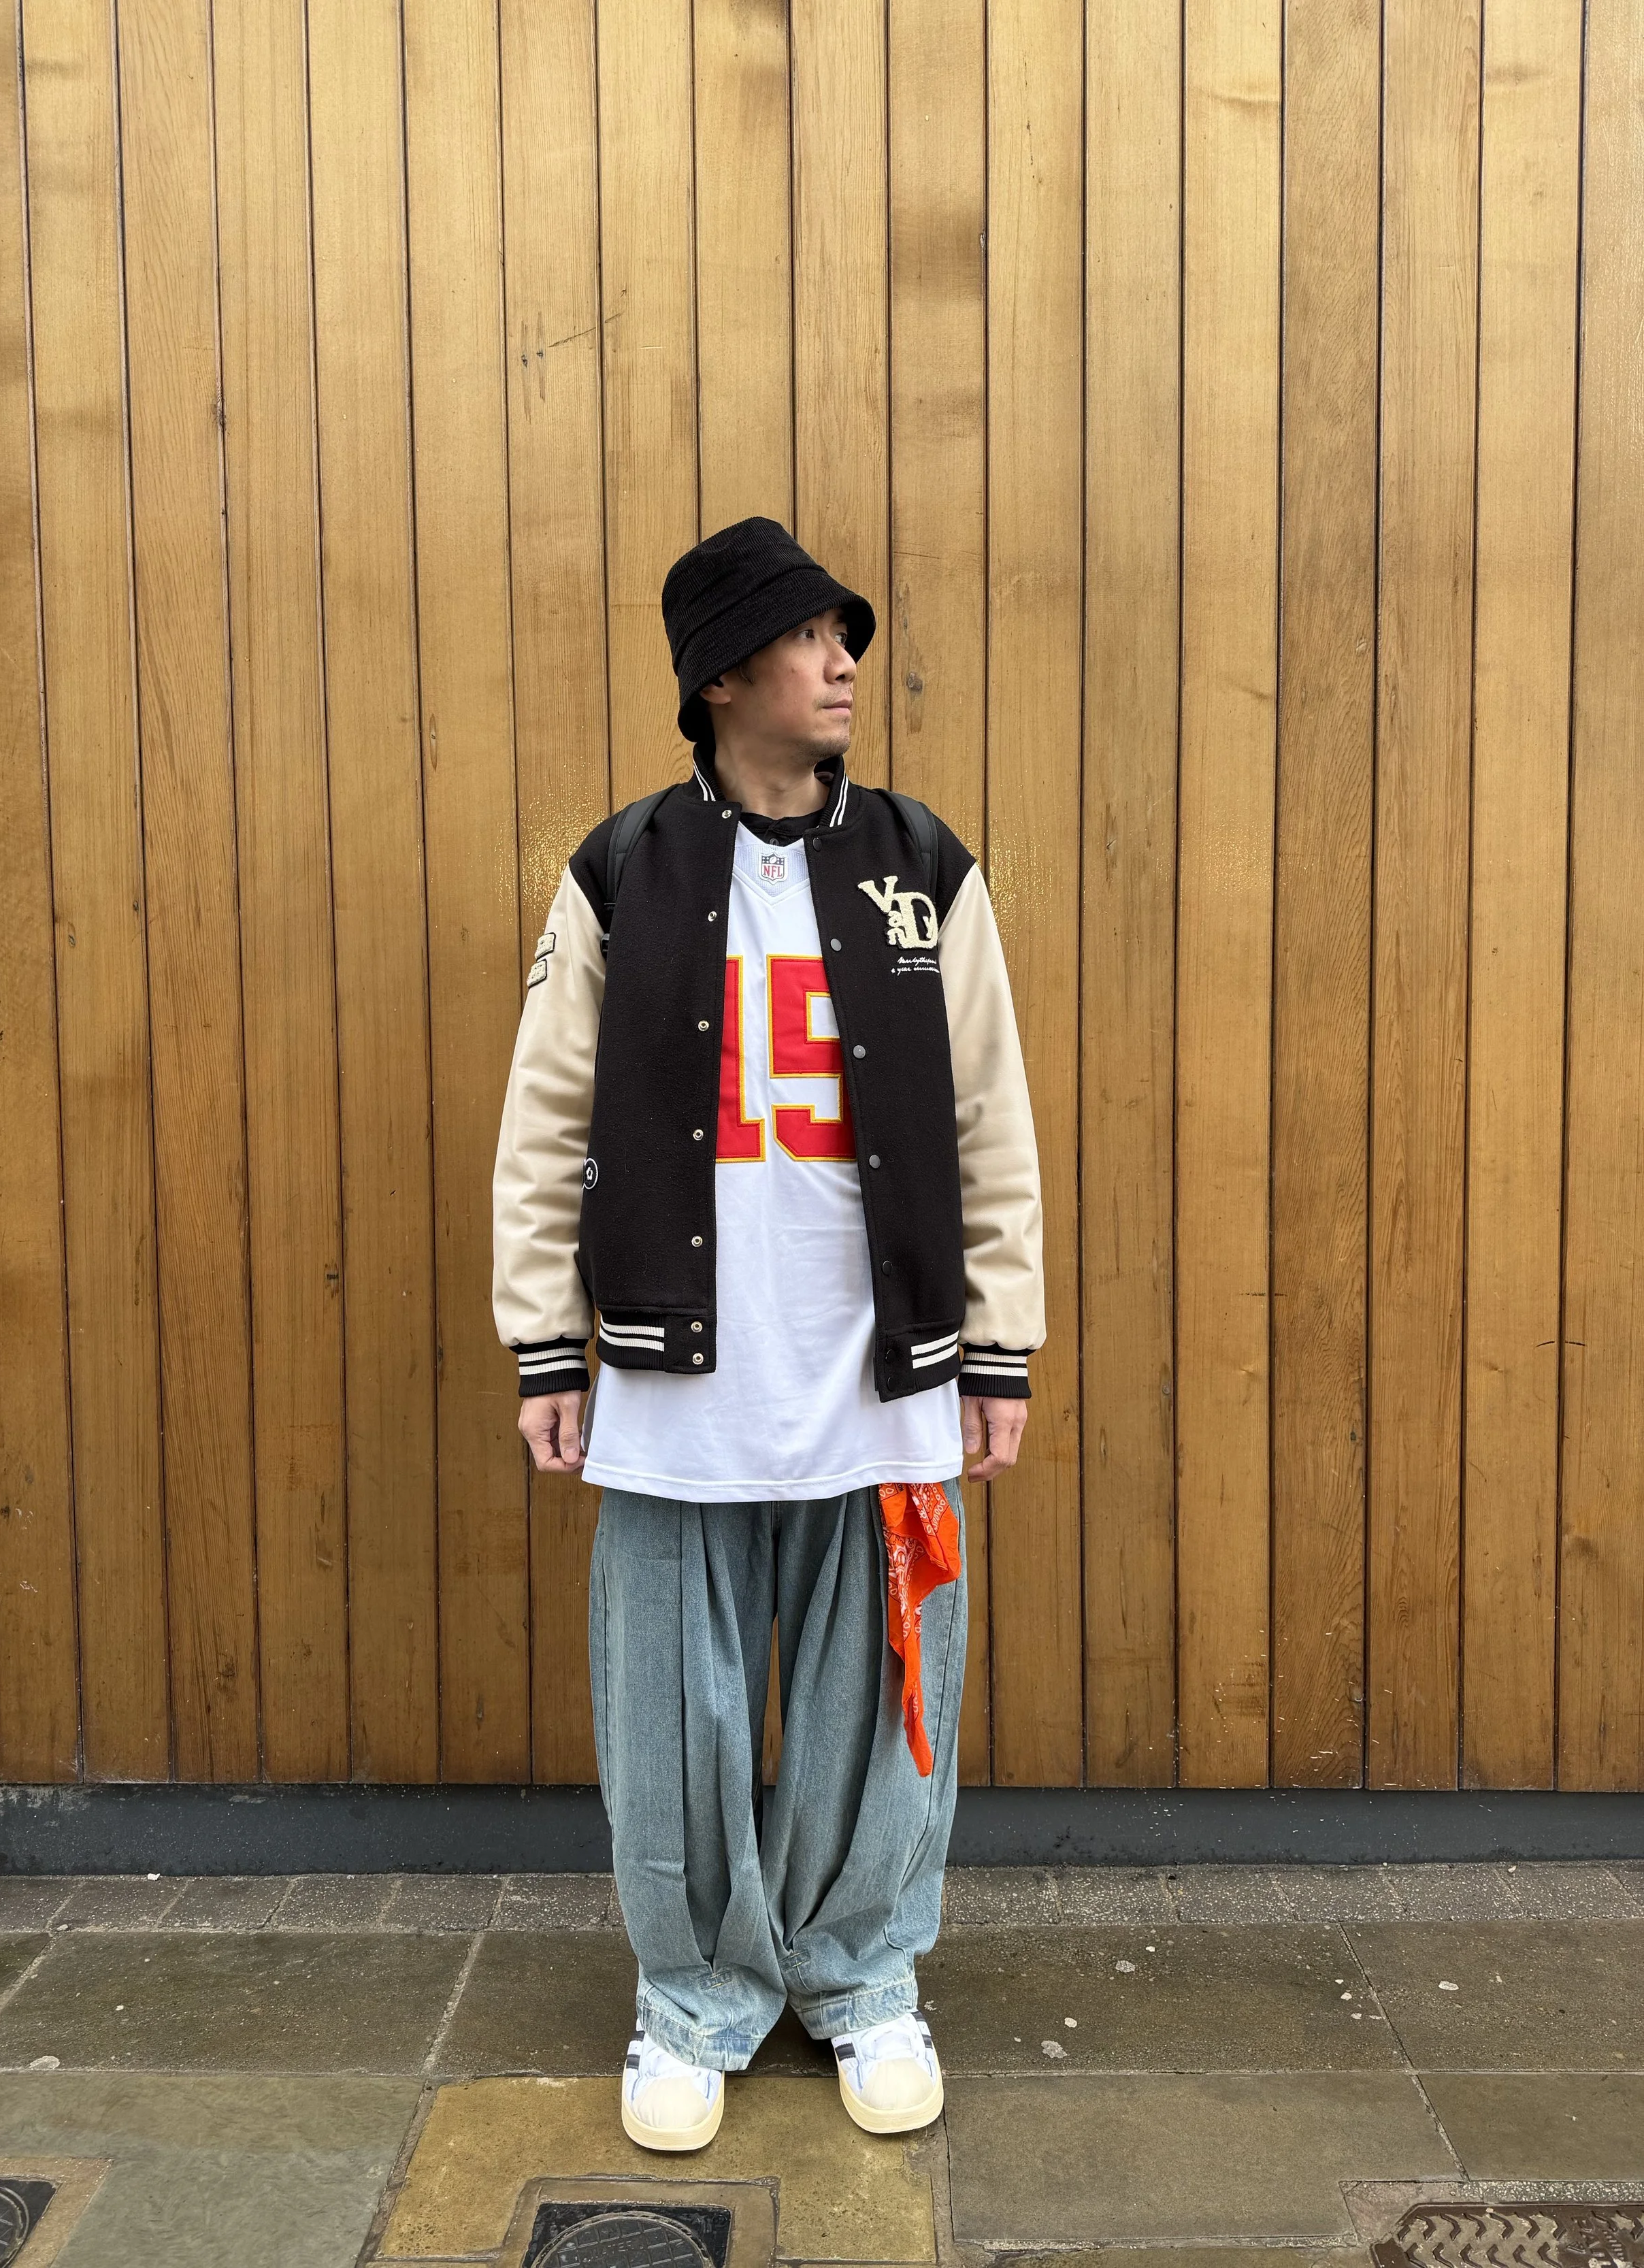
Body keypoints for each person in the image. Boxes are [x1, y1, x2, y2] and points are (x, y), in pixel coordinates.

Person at [491, 516, 1044, 2151]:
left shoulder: (922, 867)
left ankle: (864, 1976)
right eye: (806, 637)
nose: (842, 662)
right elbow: (547, 1120)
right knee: (675, 1706)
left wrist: (995, 1342)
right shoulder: (621, 873)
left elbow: (990, 1116)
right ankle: (696, 1995)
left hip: (882, 1365)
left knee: (887, 1691)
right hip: (677, 1375)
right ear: (721, 673)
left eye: (842, 637)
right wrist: (546, 1340)